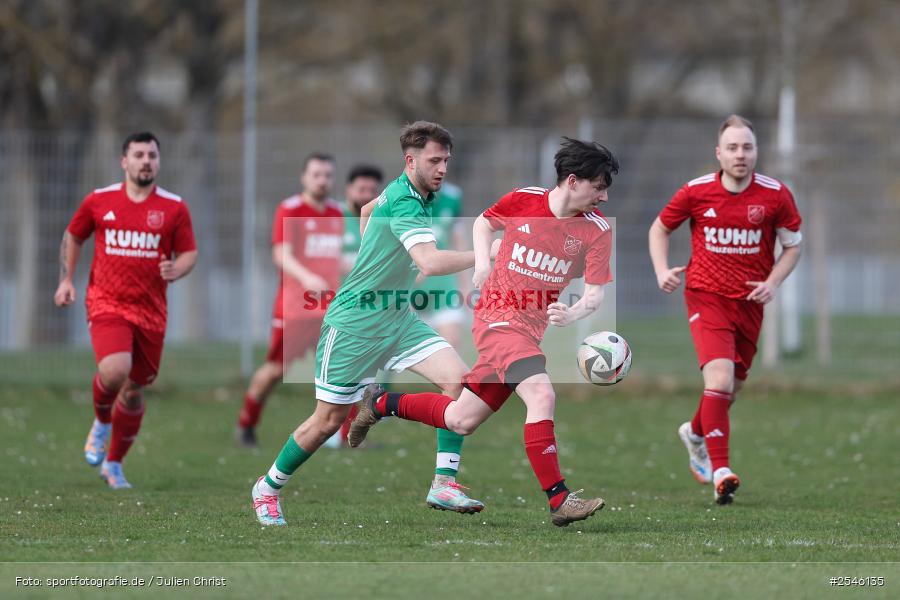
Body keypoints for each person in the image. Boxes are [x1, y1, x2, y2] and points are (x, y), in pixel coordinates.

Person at [349, 137, 618, 528]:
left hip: (531, 330)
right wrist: (479, 266)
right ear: (573, 181)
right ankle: (559, 499)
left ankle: (380, 403)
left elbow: (595, 294)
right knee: (542, 393)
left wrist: (572, 312)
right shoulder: (525, 199)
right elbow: (483, 222)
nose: (605, 197)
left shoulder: (596, 231)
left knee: (461, 419)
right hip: (497, 318)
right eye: (599, 186)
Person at [251, 121, 485, 526]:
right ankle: (267, 488)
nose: (443, 168)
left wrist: (374, 255)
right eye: (434, 160)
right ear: (410, 160)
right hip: (354, 325)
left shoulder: (411, 190)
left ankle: (443, 484)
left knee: (459, 383)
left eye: (446, 159)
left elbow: (366, 210)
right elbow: (429, 262)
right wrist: (486, 255)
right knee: (327, 421)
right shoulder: (407, 200)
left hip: (396, 317)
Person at [648, 114, 803, 504]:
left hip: (749, 303)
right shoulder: (696, 192)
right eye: (732, 148)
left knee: (729, 392)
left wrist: (773, 282)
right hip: (706, 296)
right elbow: (659, 228)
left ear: (756, 152)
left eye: (747, 147)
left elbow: (793, 245)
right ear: (718, 153)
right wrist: (662, 269)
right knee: (718, 382)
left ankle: (695, 434)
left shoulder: (775, 195)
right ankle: (721, 470)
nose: (740, 155)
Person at [54, 131, 198, 489]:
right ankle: (102, 421)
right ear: (125, 161)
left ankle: (114, 464)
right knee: (115, 370)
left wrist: (177, 269)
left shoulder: (173, 207)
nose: (146, 160)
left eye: (152, 155)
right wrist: (66, 280)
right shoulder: (99, 201)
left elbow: (190, 253)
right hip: (107, 302)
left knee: (134, 390)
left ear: (159, 162)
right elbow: (74, 235)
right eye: (139, 155)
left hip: (150, 311)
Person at [236, 154, 344, 448]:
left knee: (345, 367)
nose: (322, 180)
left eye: (327, 175)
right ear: (304, 177)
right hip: (296, 308)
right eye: (316, 174)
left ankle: (345, 436)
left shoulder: (337, 213)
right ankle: (247, 423)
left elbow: (337, 260)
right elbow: (280, 254)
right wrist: (307, 277)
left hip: (330, 308)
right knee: (275, 369)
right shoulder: (290, 209)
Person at [414, 181, 468, 348]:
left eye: (443, 160)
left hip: (443, 284)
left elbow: (458, 241)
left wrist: (465, 284)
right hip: (410, 285)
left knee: (451, 344)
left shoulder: (453, 198)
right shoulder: (403, 197)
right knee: (396, 351)